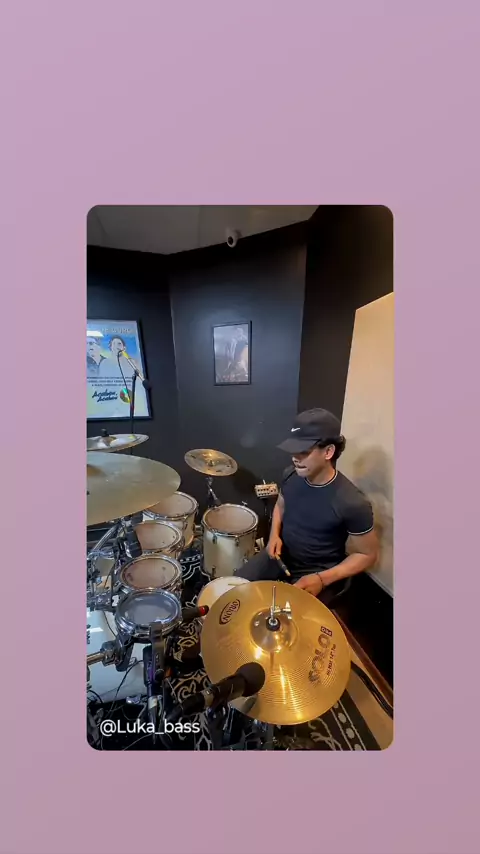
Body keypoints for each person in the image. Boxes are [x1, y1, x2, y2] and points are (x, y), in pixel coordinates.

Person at [235, 408, 379, 605]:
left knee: (281, 619)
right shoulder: (291, 474)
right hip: (281, 556)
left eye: (304, 451)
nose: (295, 458)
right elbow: (281, 506)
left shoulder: (352, 502)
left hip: (317, 572)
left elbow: (367, 555)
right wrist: (274, 535)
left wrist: (322, 579)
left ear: (328, 451)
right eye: (293, 451)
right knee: (235, 591)